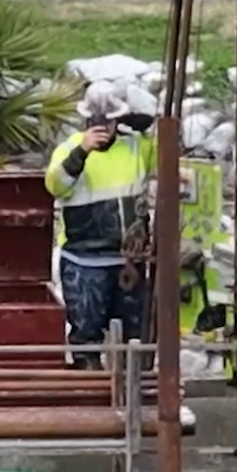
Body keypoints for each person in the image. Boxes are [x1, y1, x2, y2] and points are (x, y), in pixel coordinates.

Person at [46, 83, 157, 370]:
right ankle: (91, 400)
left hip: (128, 262)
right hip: (85, 262)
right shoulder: (70, 150)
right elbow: (56, 185)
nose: (102, 128)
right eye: (96, 122)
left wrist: (143, 122)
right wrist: (81, 154)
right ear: (86, 121)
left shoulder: (134, 147)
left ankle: (135, 398)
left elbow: (166, 157)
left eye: (108, 121)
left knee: (136, 339)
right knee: (86, 339)